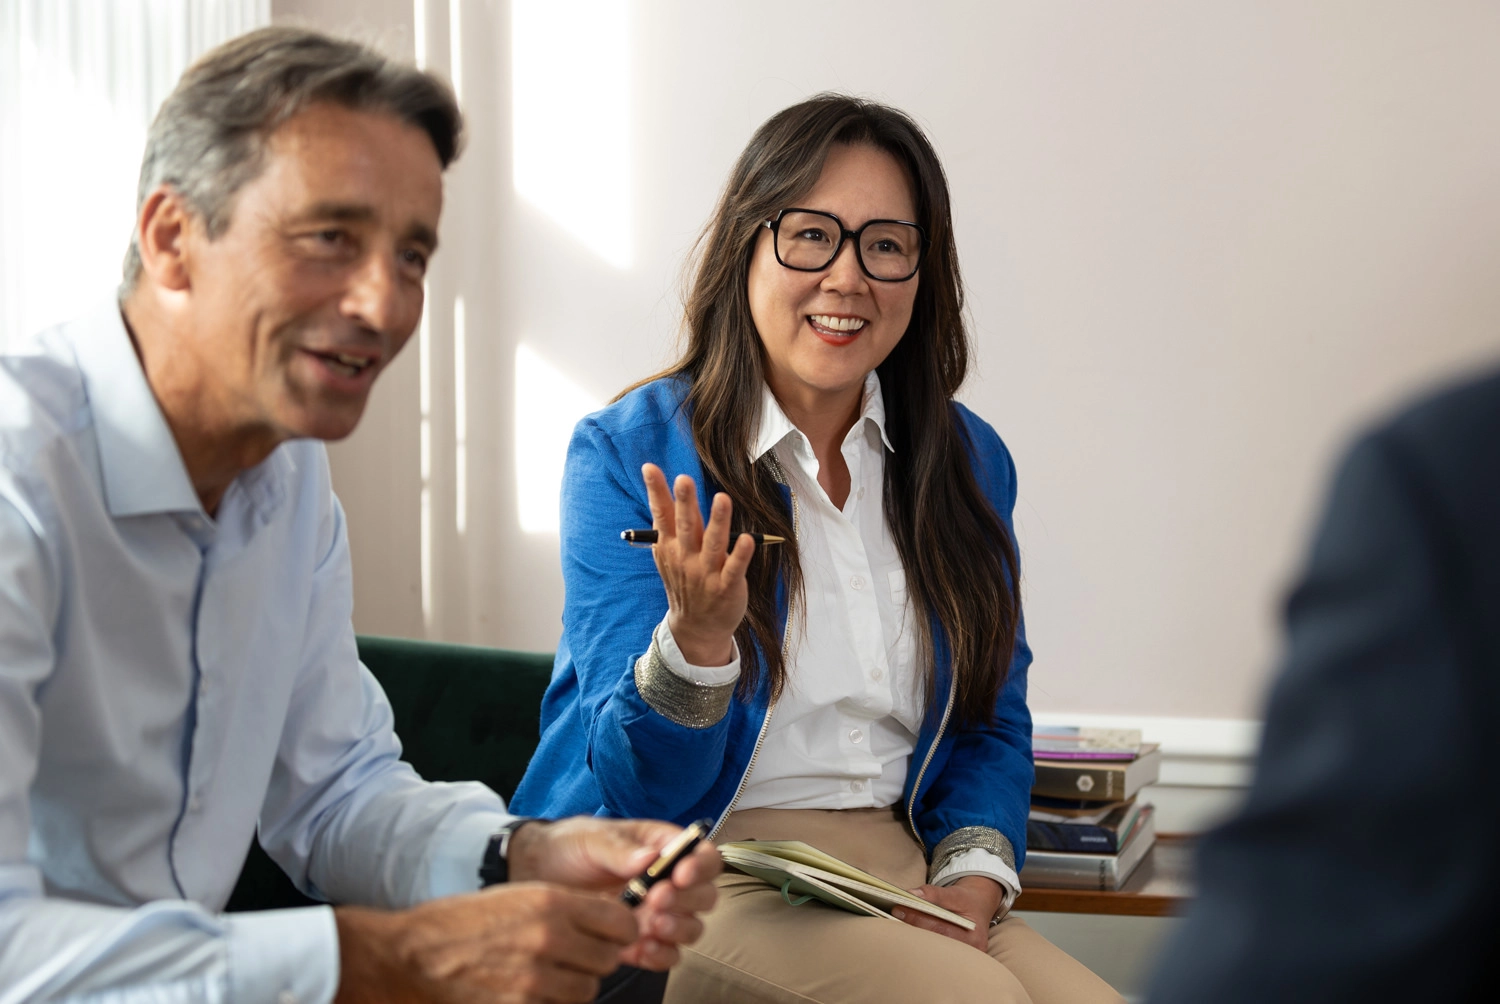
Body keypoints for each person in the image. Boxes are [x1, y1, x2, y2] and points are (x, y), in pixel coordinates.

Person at [0, 27, 718, 1004]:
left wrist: (526, 850)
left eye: (412, 255)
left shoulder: (290, 483)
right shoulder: (16, 478)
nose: (384, 305)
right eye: (330, 237)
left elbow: (334, 790)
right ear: (172, 238)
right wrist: (392, 957)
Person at [508, 94, 1122, 1003]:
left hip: (892, 863)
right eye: (810, 235)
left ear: (923, 269)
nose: (847, 277)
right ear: (747, 249)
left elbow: (992, 716)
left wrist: (974, 875)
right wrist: (697, 648)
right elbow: (637, 784)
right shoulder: (626, 453)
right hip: (690, 861)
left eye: (884, 243)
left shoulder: (968, 461)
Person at [1146, 369, 1500, 1002]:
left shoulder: (1451, 462)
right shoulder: (1445, 462)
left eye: (903, 257)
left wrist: (977, 861)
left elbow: (1325, 903)